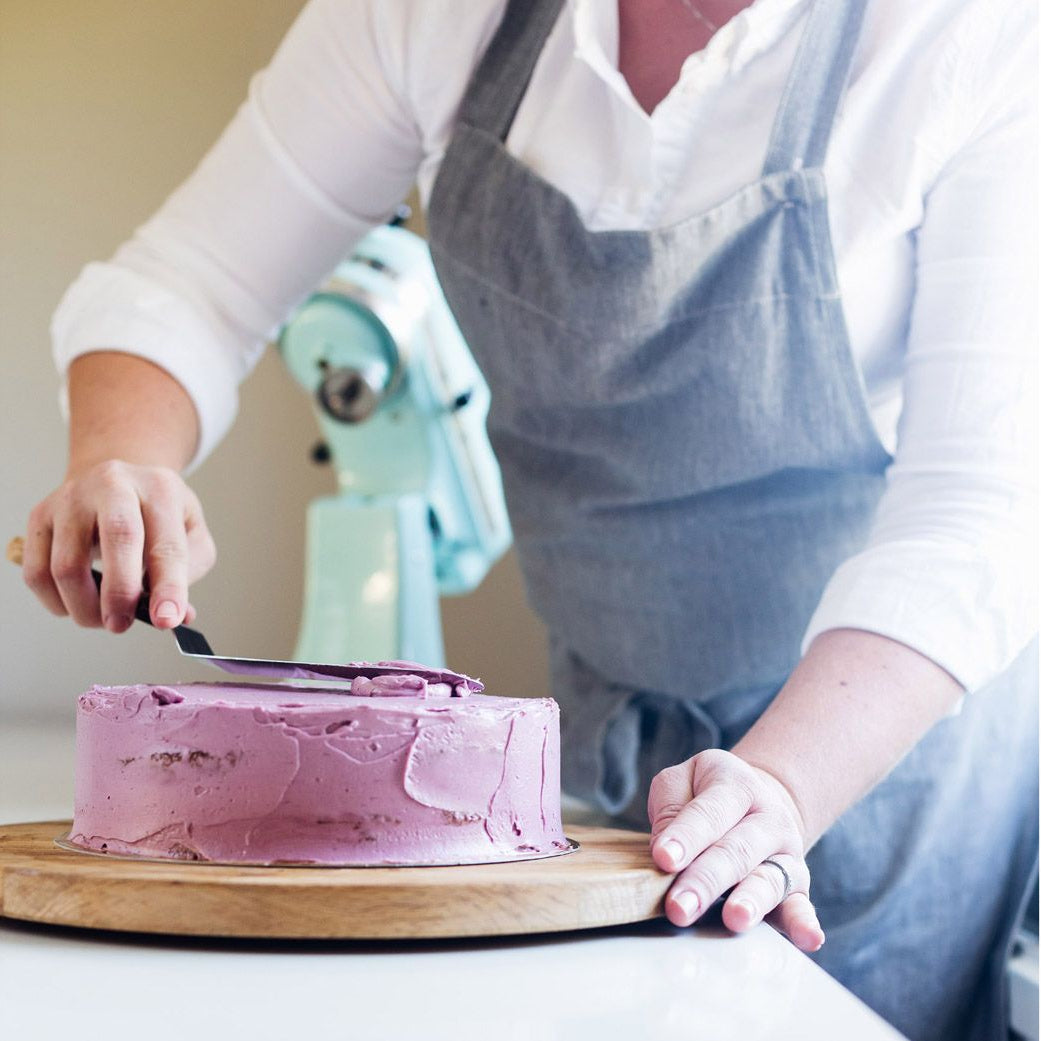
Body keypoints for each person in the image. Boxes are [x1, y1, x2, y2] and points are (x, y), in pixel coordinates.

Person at [21, 2, 1037, 1038]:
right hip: (593, 771)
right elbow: (188, 282)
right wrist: (122, 459)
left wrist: (779, 785)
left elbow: (979, 508)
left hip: (871, 764)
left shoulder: (968, 33)